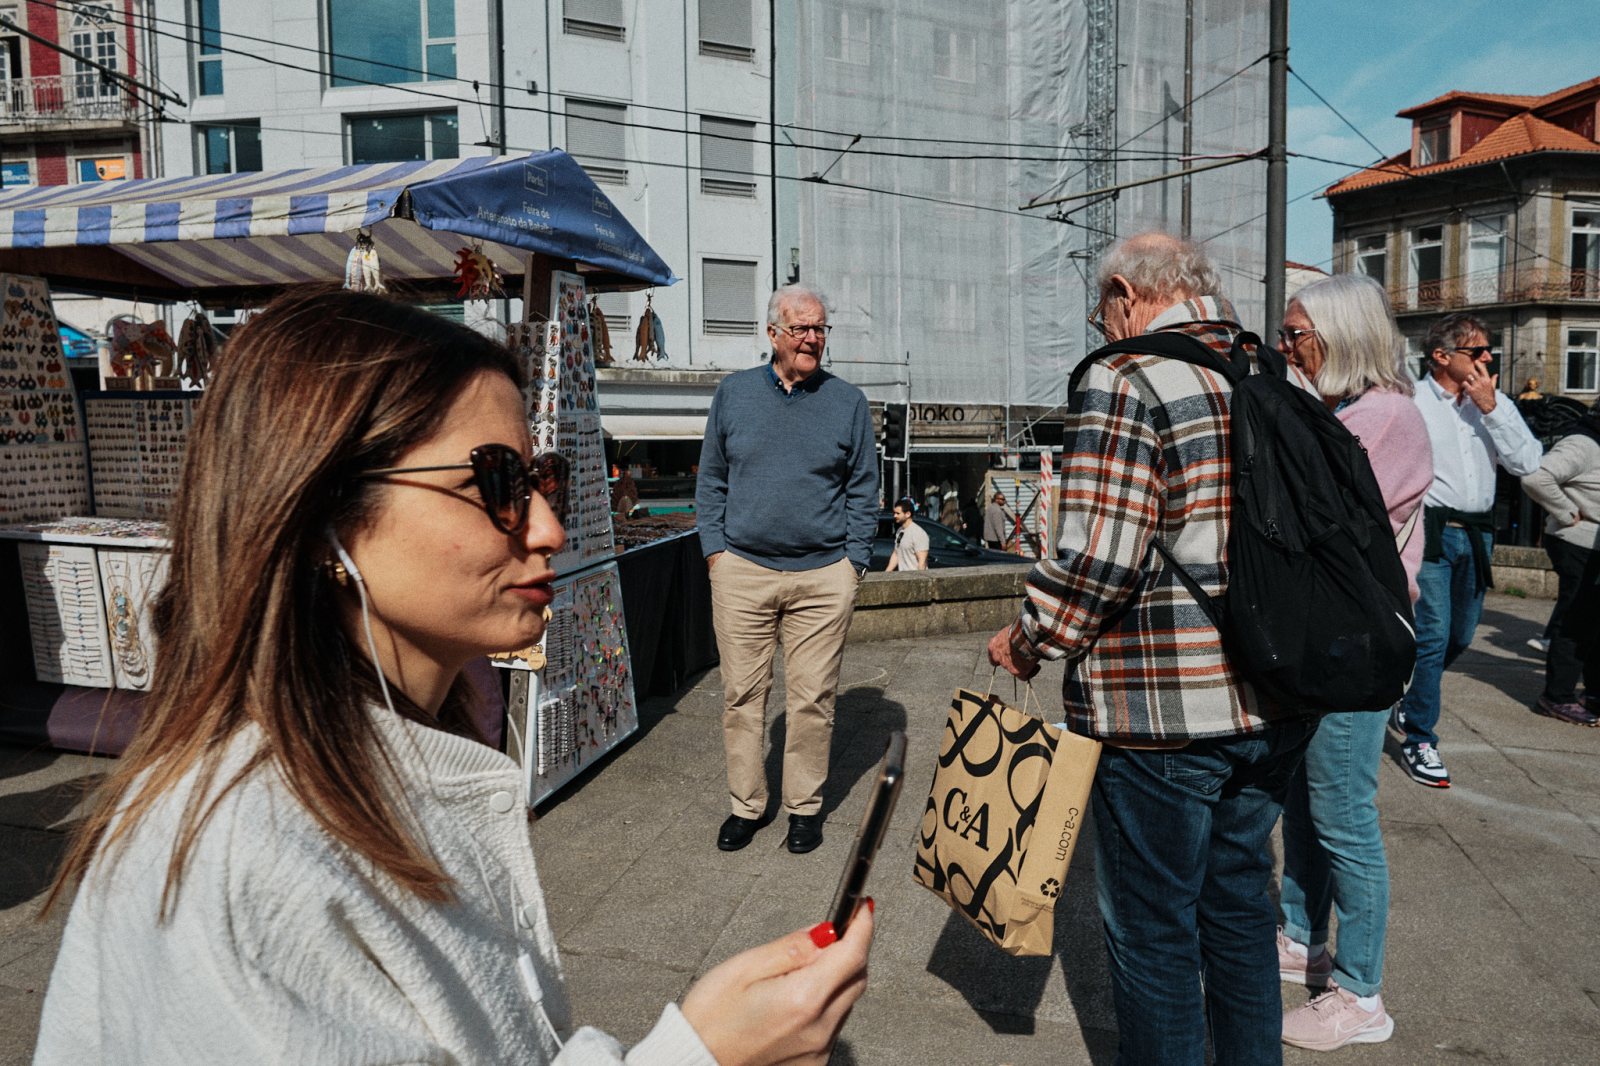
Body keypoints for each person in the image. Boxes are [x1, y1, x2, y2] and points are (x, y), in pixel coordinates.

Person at [35, 288, 873, 1065]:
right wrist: (698, 1053)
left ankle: (799, 807)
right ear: (323, 509)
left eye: (542, 479)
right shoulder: (242, 870)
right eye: (497, 483)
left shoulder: (392, 762)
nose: (547, 528)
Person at [988, 232, 1318, 1065]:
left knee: (1154, 933)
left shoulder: (1128, 376)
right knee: (1239, 916)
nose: (1100, 328)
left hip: (1162, 711)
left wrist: (1029, 639)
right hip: (1276, 696)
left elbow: (1099, 558)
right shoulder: (1268, 370)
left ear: (1126, 295)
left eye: (1100, 311)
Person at [1273, 274, 1433, 1050]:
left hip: (1356, 647)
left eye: (1297, 335)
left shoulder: (1384, 417)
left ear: (1341, 337)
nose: (1286, 348)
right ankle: (1302, 938)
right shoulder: (1350, 412)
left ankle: (1361, 994)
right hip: (1332, 640)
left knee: (1342, 815)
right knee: (1309, 804)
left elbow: (1317, 517)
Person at [696, 284, 878, 854]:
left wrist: (853, 564)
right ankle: (746, 806)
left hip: (823, 576)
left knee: (813, 700)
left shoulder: (848, 402)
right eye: (801, 328)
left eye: (820, 329)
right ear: (772, 333)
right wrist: (715, 553)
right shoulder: (734, 394)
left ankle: (804, 808)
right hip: (742, 570)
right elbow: (711, 480)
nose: (812, 339)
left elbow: (863, 490)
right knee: (741, 697)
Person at [1394, 312, 1542, 787]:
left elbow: (1528, 462)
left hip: (1477, 533)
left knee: (1461, 634)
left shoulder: (1493, 402)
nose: (1487, 358)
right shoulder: (1412, 400)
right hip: (1430, 530)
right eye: (1476, 350)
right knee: (1433, 634)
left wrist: (1492, 409)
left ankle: (1408, 695)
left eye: (1488, 350)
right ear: (1441, 356)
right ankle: (1420, 738)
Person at [1521, 402, 1600, 725]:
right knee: (1576, 619)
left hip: (1591, 544)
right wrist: (1567, 512)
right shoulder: (1582, 444)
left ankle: (1593, 693)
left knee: (1592, 621)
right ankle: (1557, 696)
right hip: (1576, 541)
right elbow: (1536, 476)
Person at [885, 497, 929, 571]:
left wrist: (919, 577)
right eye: (894, 513)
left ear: (908, 514)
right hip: (903, 576)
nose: (894, 516)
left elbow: (922, 562)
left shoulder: (918, 533)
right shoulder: (900, 531)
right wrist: (886, 573)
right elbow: (896, 553)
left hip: (915, 576)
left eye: (898, 513)